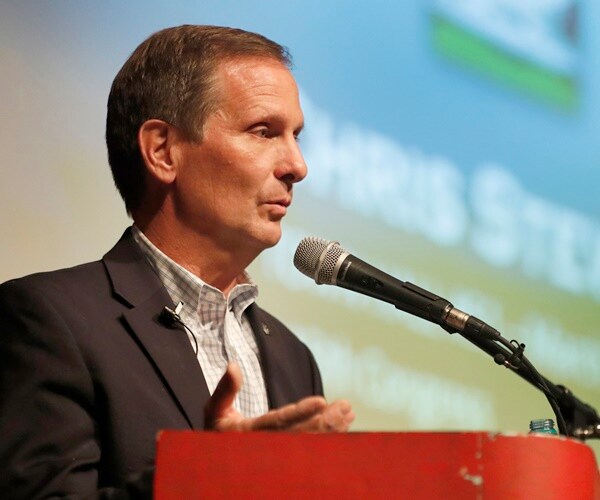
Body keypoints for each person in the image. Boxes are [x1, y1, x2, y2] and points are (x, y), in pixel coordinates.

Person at [0, 25, 354, 498]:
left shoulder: (294, 359)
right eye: (264, 131)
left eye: (296, 136)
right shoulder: (48, 319)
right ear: (163, 151)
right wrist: (210, 475)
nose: (297, 165)